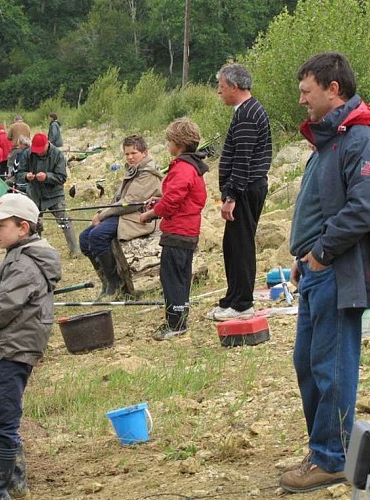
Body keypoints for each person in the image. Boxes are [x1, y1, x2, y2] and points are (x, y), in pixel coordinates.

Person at [281, 52, 370, 494]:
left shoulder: (364, 140)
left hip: (339, 270)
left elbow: (364, 211)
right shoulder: (331, 140)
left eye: (306, 92)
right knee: (308, 363)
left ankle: (331, 459)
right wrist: (302, 259)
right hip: (316, 270)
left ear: (334, 89)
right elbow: (321, 207)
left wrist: (320, 254)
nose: (301, 101)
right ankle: (329, 448)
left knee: (331, 366)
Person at [0, 193, 61, 499]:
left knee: (1, 422)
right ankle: (15, 483)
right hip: (3, 346)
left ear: (23, 228)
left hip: (13, 349)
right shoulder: (18, 255)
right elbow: (7, 301)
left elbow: (5, 309)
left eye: (0, 225)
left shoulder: (24, 263)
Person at [206, 63, 273, 322]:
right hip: (246, 188)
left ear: (234, 86)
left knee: (241, 246)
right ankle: (233, 298)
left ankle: (243, 303)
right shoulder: (245, 111)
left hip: (246, 189)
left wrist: (231, 196)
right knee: (232, 245)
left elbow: (243, 160)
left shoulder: (247, 114)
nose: (218, 92)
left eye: (221, 87)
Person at [140, 118, 208, 340]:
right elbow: (174, 197)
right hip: (186, 231)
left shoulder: (183, 168)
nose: (167, 145)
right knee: (180, 275)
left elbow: (171, 203)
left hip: (178, 232)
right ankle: (180, 318)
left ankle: (175, 323)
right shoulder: (191, 167)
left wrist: (151, 213)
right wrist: (157, 200)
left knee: (171, 277)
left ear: (178, 144)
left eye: (169, 141)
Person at [80, 135, 162, 298]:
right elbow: (118, 199)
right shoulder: (134, 169)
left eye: (134, 153)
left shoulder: (148, 173)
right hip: (125, 213)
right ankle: (105, 280)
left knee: (97, 235)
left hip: (138, 217)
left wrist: (102, 215)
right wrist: (101, 212)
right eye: (127, 154)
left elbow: (131, 202)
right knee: (84, 238)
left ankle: (116, 284)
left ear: (144, 153)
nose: (130, 157)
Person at [16, 133, 80, 256]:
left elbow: (62, 177)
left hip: (55, 194)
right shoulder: (28, 153)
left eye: (41, 150)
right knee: (35, 223)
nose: (38, 153)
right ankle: (35, 251)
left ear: (47, 144)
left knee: (64, 221)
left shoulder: (57, 154)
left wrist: (47, 177)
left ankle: (75, 250)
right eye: (36, 150)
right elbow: (19, 174)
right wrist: (26, 176)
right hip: (35, 194)